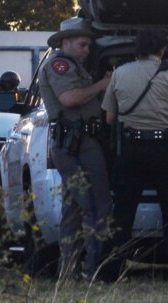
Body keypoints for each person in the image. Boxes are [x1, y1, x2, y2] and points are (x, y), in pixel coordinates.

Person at [100, 29, 168, 283]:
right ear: (162, 50)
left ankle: (111, 272)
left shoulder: (119, 74)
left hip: (131, 151)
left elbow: (109, 118)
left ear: (137, 49)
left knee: (123, 213)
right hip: (165, 150)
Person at [38, 17, 112, 280]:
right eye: (82, 45)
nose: (86, 51)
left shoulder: (72, 66)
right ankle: (96, 270)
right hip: (77, 145)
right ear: (65, 42)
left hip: (77, 144)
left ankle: (68, 272)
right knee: (96, 203)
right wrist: (102, 85)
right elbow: (69, 98)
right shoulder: (60, 65)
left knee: (74, 209)